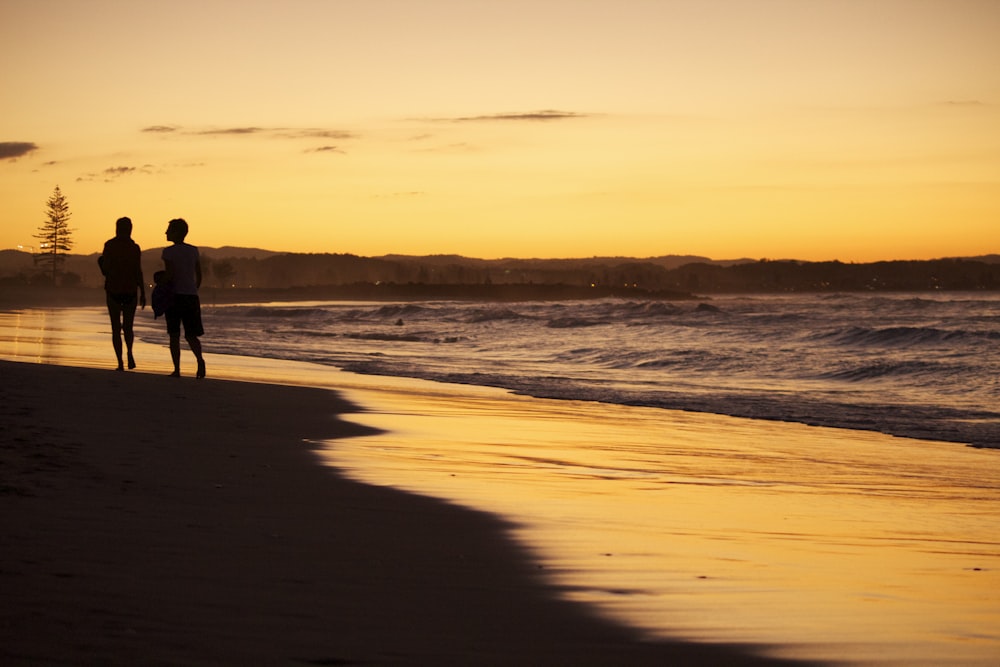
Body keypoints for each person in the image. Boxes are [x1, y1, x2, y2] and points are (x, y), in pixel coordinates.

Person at [98, 216, 146, 371]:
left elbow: (106, 270)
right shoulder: (135, 248)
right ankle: (130, 353)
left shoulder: (110, 246)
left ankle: (120, 362)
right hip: (131, 290)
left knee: (116, 329)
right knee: (128, 327)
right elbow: (138, 271)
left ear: (117, 228)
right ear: (130, 229)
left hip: (113, 290)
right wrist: (143, 292)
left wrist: (100, 263)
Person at [161, 218, 206, 378]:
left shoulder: (168, 252)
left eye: (169, 230)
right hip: (191, 296)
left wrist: (160, 283)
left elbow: (170, 274)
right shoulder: (194, 250)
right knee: (191, 334)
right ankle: (200, 361)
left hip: (174, 297)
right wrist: (194, 288)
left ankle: (177, 369)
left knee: (174, 334)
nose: (165, 232)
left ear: (176, 232)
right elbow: (199, 274)